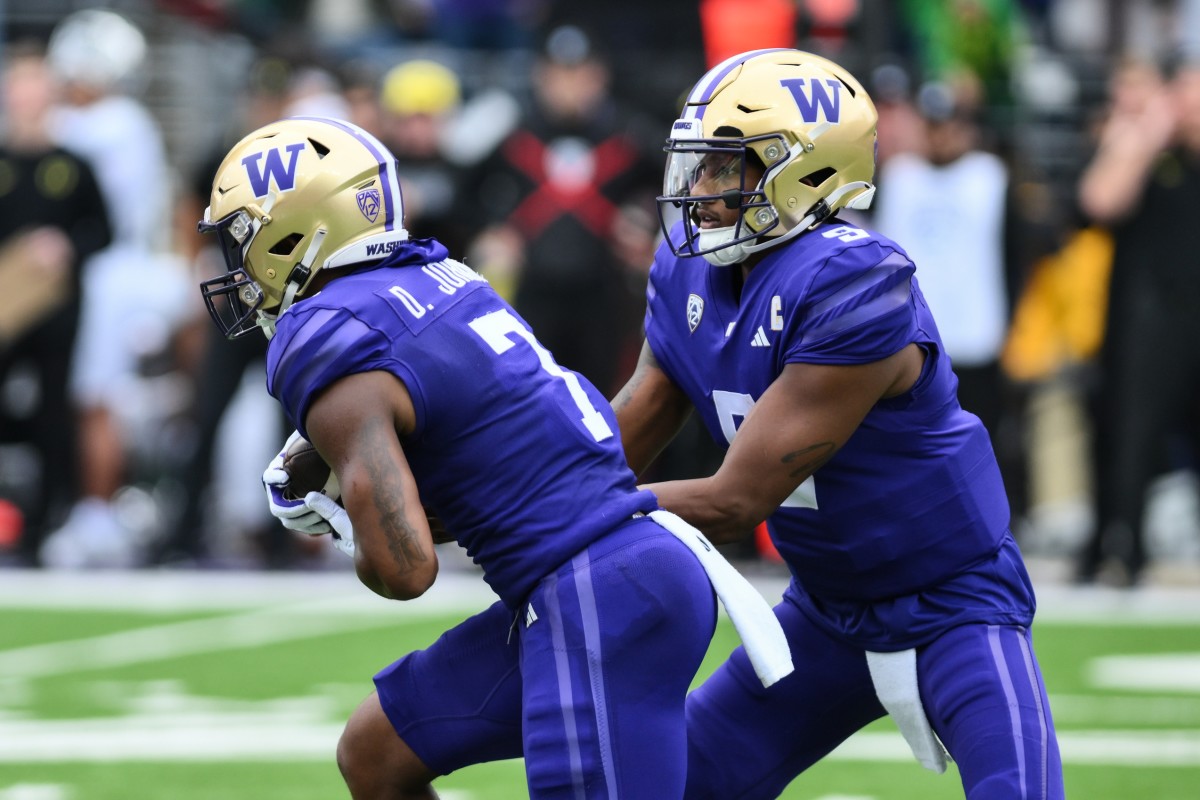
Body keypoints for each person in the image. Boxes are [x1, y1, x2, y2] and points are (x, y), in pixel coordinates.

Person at [200, 116, 790, 798]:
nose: (237, 263)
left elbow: (405, 569)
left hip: (596, 594)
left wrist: (343, 513)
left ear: (294, 228)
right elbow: (498, 480)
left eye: (244, 237)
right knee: (378, 754)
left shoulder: (323, 332)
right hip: (612, 574)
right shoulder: (437, 274)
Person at [611, 49, 1063, 799]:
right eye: (699, 167)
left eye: (727, 169)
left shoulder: (857, 283)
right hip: (823, 613)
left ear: (808, 173)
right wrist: (502, 486)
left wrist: (552, 512)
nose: (700, 192)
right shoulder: (690, 272)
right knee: (673, 787)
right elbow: (623, 438)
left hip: (954, 603)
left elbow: (736, 500)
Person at [1075, 57, 1200, 585]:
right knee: (1132, 430)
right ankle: (1123, 547)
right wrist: (1149, 128)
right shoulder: (1145, 146)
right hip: (1149, 313)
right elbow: (1100, 199)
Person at [0, 42, 111, 564]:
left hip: (56, 313)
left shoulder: (73, 165)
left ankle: (45, 525)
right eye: (18, 83)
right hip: (6, 311)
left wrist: (66, 245)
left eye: (35, 84)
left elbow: (104, 230)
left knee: (52, 415)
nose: (27, 95)